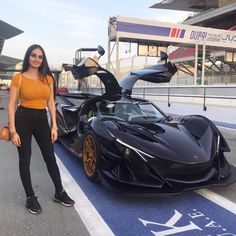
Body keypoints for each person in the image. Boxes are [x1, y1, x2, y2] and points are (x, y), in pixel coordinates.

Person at [8, 44, 75, 214]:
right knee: (25, 159)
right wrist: (13, 131)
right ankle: (30, 197)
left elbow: (51, 103)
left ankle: (59, 192)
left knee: (50, 157)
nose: (37, 59)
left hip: (41, 120)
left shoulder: (48, 78)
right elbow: (11, 105)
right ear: (28, 57)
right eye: (33, 55)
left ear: (43, 59)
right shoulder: (18, 78)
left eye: (40, 56)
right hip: (23, 118)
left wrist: (54, 125)